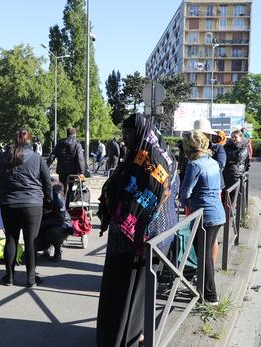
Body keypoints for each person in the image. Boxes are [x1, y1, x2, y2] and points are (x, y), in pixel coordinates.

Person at [97, 113, 178, 346]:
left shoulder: (150, 157)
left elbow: (146, 198)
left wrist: (125, 222)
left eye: (128, 132)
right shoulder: (154, 151)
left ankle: (125, 339)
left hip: (139, 239)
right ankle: (136, 334)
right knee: (135, 294)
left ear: (141, 131)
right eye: (124, 132)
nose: (124, 138)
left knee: (128, 294)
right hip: (146, 236)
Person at [0, 128, 52, 287]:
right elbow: (47, 184)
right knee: (31, 241)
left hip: (8, 204)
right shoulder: (37, 158)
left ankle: (9, 277)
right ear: (29, 141)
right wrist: (48, 202)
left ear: (13, 140)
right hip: (32, 205)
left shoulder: (1, 157)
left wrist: (1, 199)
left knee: (11, 239)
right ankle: (31, 279)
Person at [179, 131, 226, 305]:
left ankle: (210, 296)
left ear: (189, 148)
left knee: (203, 255)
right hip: (218, 213)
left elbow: (185, 192)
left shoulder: (194, 165)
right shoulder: (212, 162)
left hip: (204, 215)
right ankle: (204, 290)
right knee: (206, 254)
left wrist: (186, 201)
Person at [36, 178, 73, 262]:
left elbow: (60, 220)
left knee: (52, 232)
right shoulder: (38, 196)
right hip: (47, 224)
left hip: (62, 226)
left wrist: (40, 225)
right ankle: (45, 249)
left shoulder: (57, 196)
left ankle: (57, 251)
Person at [46, 128, 86, 192]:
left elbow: (52, 156)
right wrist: (81, 172)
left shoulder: (60, 143)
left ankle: (62, 200)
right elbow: (80, 159)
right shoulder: (77, 144)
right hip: (73, 171)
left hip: (61, 170)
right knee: (71, 188)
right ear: (75, 134)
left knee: (62, 187)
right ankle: (68, 201)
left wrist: (46, 166)